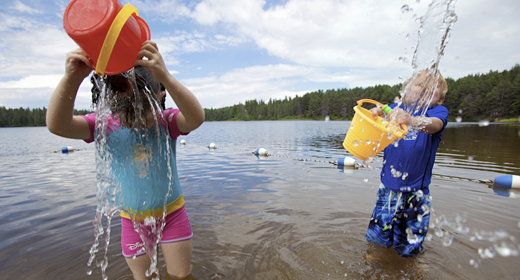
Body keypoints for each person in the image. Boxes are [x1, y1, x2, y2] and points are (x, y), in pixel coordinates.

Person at [47, 41, 204, 279]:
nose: (138, 116)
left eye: (143, 107)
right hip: (132, 222)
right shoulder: (103, 125)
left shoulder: (167, 122)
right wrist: (72, 78)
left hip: (172, 214)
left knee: (181, 275)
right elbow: (58, 126)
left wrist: (166, 76)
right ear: (113, 96)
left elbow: (196, 118)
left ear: (159, 96)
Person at [365, 70, 449, 257]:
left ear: (441, 99)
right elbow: (378, 113)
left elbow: (435, 124)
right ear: (407, 90)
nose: (424, 90)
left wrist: (410, 120)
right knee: (377, 240)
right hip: (387, 190)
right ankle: (373, 262)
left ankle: (415, 265)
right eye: (419, 85)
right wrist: (376, 114)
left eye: (431, 88)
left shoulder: (437, 112)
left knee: (410, 245)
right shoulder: (395, 109)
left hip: (416, 194)